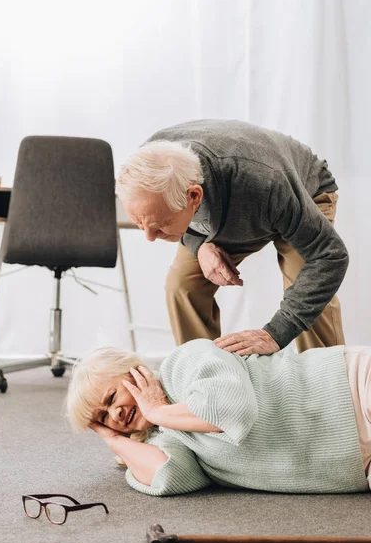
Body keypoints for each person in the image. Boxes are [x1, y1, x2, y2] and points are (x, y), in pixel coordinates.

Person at [116, 119, 348, 356]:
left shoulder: (263, 182)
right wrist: (199, 245)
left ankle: (330, 380)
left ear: (193, 196)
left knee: (309, 286)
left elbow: (329, 257)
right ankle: (205, 375)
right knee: (182, 287)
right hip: (233, 201)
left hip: (301, 191)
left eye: (160, 225)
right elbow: (169, 217)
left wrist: (274, 334)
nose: (150, 238)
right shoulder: (146, 168)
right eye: (140, 223)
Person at [66, 339, 371, 496]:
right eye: (102, 418)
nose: (115, 415)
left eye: (110, 399)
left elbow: (232, 409)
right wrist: (114, 439)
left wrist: (157, 410)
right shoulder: (165, 436)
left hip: (352, 387)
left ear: (133, 369)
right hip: (358, 466)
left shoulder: (184, 362)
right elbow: (169, 476)